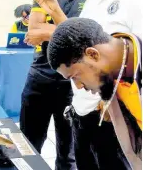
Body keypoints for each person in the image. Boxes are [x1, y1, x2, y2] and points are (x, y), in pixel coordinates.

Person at [34, 0, 142, 169]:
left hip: (112, 119)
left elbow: (136, 65)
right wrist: (55, 11)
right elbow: (76, 43)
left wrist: (111, 103)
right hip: (82, 112)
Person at [21, 0, 93, 170]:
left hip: (74, 83)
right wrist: (66, 32)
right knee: (28, 145)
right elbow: (33, 32)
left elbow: (85, 39)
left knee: (68, 152)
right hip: (39, 77)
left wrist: (49, 29)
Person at [47, 17, 142, 170]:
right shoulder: (110, 72)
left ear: (92, 54)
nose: (78, 86)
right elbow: (121, 123)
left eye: (75, 76)